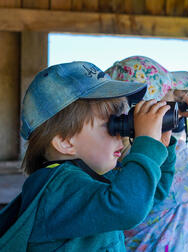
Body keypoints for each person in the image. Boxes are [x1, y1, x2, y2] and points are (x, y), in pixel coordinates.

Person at [0, 61, 177, 251]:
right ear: (66, 141)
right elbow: (128, 208)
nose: (122, 134)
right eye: (112, 124)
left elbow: (153, 195)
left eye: (122, 121)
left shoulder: (87, 180)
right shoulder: (57, 190)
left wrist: (161, 147)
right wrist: (146, 143)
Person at [106, 56, 188, 251]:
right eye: (169, 104)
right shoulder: (167, 163)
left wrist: (170, 127)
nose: (175, 111)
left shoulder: (104, 158)